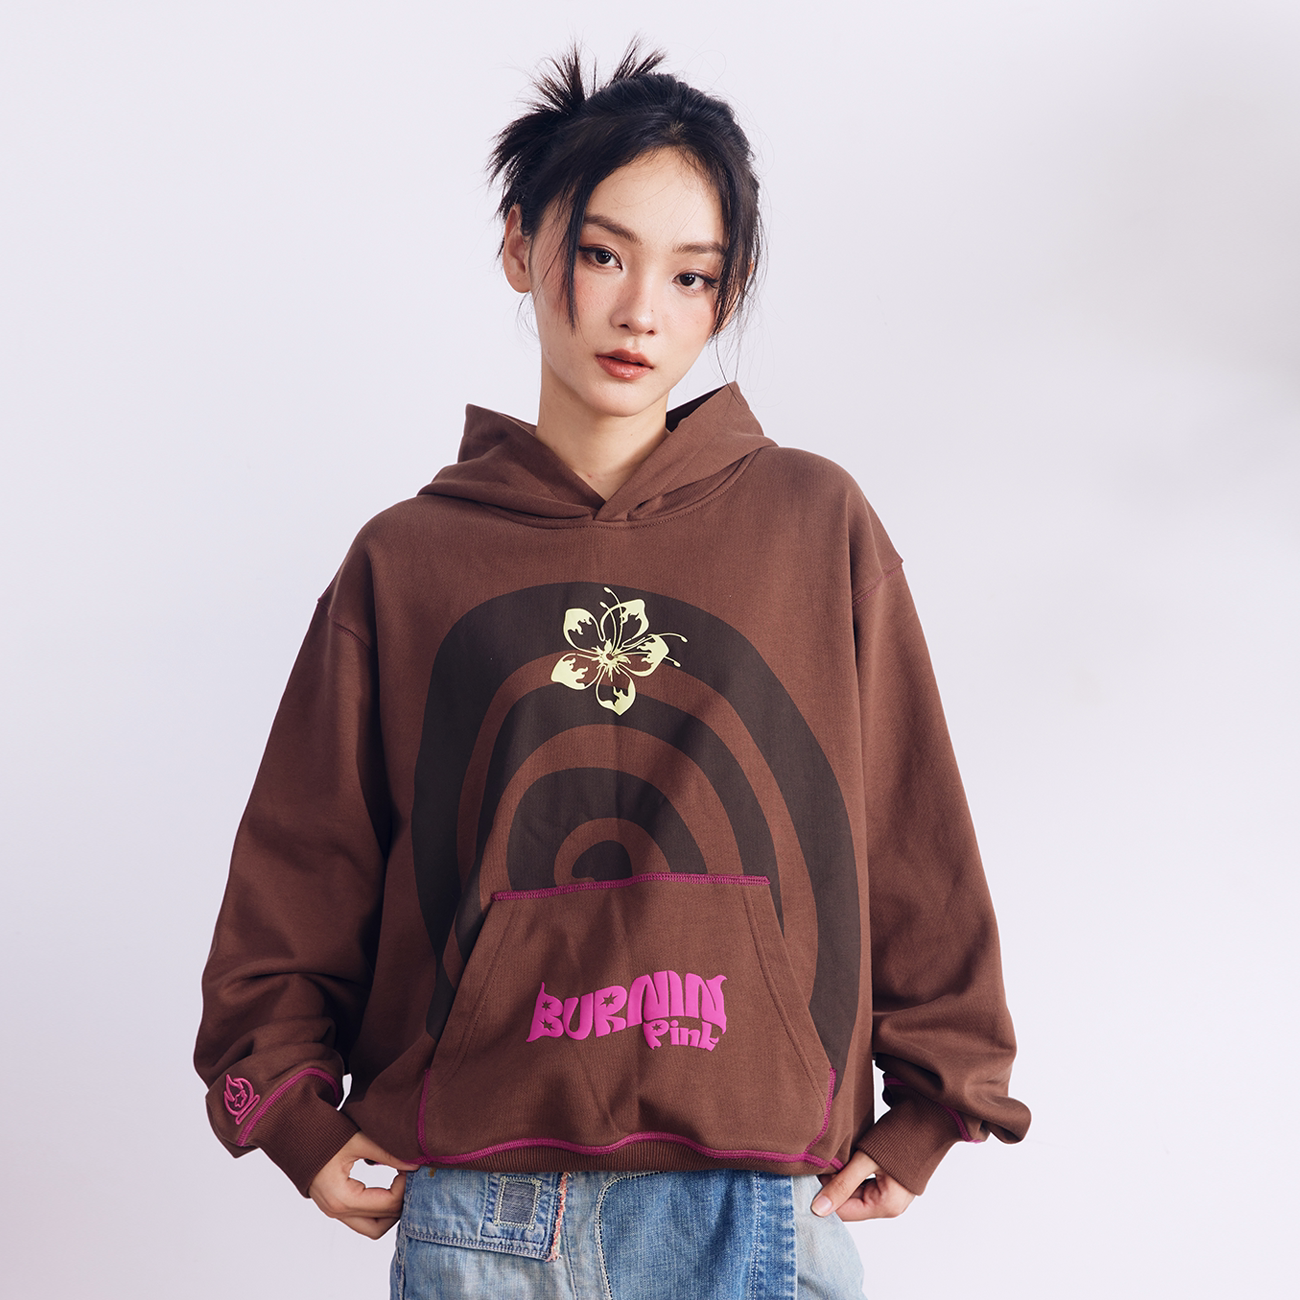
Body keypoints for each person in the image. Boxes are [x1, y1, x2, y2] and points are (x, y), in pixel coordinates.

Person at [195, 44, 1030, 1299]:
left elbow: (908, 822)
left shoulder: (815, 523)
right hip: (481, 1208)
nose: (643, 311)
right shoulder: (409, 558)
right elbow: (302, 863)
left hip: (758, 1196)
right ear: (520, 245)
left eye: (691, 275)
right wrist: (290, 1117)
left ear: (724, 295)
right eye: (603, 254)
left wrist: (938, 1100)